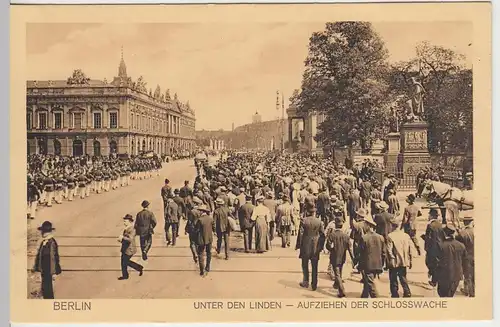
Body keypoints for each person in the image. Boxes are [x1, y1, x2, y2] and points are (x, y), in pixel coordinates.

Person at [296, 204, 325, 291]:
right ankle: (314, 284)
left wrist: (298, 245)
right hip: (315, 245)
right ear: (315, 212)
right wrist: (321, 246)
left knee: (305, 264)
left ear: (308, 212)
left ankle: (305, 281)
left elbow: (300, 234)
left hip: (305, 244)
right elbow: (323, 235)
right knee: (314, 266)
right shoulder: (319, 222)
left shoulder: (304, 221)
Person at [358, 214, 386, 298]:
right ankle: (364, 296)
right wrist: (382, 263)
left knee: (370, 283)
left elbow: (361, 253)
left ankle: (376, 299)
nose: (364, 226)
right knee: (368, 281)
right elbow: (383, 253)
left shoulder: (364, 237)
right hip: (377, 263)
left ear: (369, 226)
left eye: (365, 224)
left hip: (367, 264)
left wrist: (359, 264)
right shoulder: (381, 237)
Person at [435, 224, 467, 297]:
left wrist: (434, 277)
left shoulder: (441, 245)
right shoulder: (461, 245)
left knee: (443, 295)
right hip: (456, 276)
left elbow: (436, 262)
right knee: (450, 295)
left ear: (444, 233)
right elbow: (465, 262)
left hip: (443, 276)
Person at [386, 217, 415, 297]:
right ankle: (407, 292)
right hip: (404, 260)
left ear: (392, 226)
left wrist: (391, 258)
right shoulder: (406, 236)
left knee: (393, 279)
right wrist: (410, 260)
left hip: (394, 261)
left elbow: (389, 250)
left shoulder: (390, 236)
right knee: (403, 277)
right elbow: (410, 249)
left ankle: (395, 294)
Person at [32, 221, 61, 299]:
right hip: (45, 271)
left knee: (48, 291)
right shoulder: (44, 242)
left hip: (49, 271)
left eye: (43, 231)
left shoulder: (51, 242)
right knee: (45, 290)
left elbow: (53, 258)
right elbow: (40, 256)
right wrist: (37, 268)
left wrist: (54, 272)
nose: (42, 233)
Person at [325, 218, 354, 298]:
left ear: (335, 225)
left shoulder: (332, 235)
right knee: (339, 271)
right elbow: (350, 248)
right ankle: (336, 284)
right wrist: (353, 258)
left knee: (337, 273)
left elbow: (327, 246)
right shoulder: (346, 236)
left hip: (334, 256)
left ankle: (342, 291)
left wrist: (331, 249)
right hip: (342, 256)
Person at [422, 205, 445, 286]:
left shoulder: (430, 225)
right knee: (436, 263)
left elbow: (429, 238)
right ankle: (434, 278)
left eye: (429, 215)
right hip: (439, 247)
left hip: (432, 248)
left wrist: (425, 245)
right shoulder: (440, 224)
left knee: (429, 263)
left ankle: (433, 280)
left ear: (431, 215)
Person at [118, 214, 144, 280]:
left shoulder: (132, 229)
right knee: (125, 262)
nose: (124, 222)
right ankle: (138, 268)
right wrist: (121, 240)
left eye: (125, 221)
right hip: (125, 248)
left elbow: (130, 239)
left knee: (124, 262)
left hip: (129, 249)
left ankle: (126, 276)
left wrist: (122, 238)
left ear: (129, 221)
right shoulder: (127, 228)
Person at [456, 213, 474, 297]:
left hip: (466, 256)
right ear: (471, 222)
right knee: (474, 274)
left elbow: (458, 246)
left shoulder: (462, 233)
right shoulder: (476, 231)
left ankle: (468, 291)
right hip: (475, 255)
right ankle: (472, 290)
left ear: (464, 222)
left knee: (467, 274)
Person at [195, 204, 214, 277]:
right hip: (209, 238)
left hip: (201, 239)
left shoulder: (199, 220)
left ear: (202, 211)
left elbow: (196, 229)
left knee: (200, 254)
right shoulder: (210, 219)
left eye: (199, 211)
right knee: (209, 253)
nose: (199, 212)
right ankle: (208, 267)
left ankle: (202, 270)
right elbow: (214, 227)